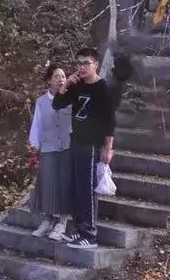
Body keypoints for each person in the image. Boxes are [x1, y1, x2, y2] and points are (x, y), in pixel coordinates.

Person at [51, 47, 116, 250]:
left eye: (86, 63)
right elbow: (57, 105)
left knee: (87, 189)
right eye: (79, 63)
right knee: (76, 188)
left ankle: (90, 234)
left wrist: (108, 148)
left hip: (91, 144)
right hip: (76, 141)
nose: (82, 67)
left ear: (95, 64)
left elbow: (109, 121)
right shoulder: (77, 86)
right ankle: (79, 230)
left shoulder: (102, 87)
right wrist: (65, 86)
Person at [28, 64, 72, 240]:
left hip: (68, 148)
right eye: (57, 77)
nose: (61, 79)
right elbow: (36, 126)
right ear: (49, 81)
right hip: (48, 148)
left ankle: (62, 223)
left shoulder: (71, 99)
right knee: (47, 185)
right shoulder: (41, 102)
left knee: (64, 186)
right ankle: (47, 221)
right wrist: (33, 149)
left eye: (63, 76)